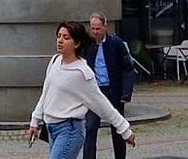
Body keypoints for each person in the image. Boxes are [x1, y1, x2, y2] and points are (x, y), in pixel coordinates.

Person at [28, 22, 135, 159]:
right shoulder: (55, 61)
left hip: (69, 130)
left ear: (77, 44)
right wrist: (35, 121)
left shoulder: (82, 72)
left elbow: (101, 103)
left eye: (66, 38)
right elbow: (45, 95)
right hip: (51, 128)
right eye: (59, 36)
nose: (60, 40)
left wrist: (124, 130)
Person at [81, 13, 136, 159]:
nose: (95, 32)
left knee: (117, 128)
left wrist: (126, 92)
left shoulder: (116, 43)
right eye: (93, 28)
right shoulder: (87, 45)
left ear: (105, 27)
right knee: (91, 127)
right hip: (94, 92)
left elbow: (127, 68)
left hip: (114, 91)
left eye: (98, 28)